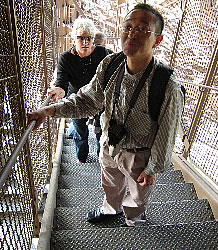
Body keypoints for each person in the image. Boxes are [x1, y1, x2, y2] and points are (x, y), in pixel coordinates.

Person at [27, 3, 184, 227]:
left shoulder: (165, 84)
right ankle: (111, 211)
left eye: (142, 29)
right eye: (128, 27)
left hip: (140, 155)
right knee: (110, 183)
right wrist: (50, 110)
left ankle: (133, 217)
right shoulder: (111, 64)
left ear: (157, 40)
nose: (131, 33)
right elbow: (87, 100)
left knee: (138, 195)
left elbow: (167, 133)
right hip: (109, 143)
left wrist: (153, 168)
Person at [50, 18, 110, 162]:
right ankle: (81, 158)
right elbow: (62, 84)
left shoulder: (102, 53)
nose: (85, 42)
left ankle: (101, 159)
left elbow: (112, 74)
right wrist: (57, 91)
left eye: (89, 38)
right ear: (73, 38)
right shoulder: (66, 58)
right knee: (80, 130)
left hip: (99, 99)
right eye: (81, 38)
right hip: (77, 99)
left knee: (101, 130)